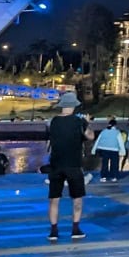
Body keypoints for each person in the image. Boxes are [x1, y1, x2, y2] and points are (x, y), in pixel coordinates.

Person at [45, 92, 94, 242]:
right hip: (73, 165)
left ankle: (53, 231)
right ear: (73, 106)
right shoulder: (79, 122)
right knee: (77, 199)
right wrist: (88, 123)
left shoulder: (52, 122)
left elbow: (50, 141)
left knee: (54, 199)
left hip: (56, 165)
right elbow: (90, 136)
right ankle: (75, 228)